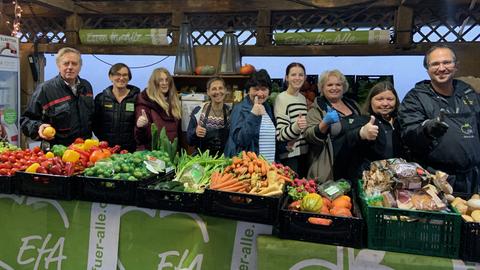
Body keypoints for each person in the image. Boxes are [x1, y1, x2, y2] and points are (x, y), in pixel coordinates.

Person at [398, 44, 480, 193]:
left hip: (473, 179)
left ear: (456, 66)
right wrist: (427, 129)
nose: (441, 68)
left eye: (447, 62)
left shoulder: (468, 93)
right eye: (435, 64)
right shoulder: (415, 97)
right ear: (427, 69)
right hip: (436, 180)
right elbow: (408, 134)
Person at [20, 47, 94, 146]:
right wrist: (39, 127)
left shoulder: (87, 86)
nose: (70, 67)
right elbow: (26, 120)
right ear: (59, 65)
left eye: (74, 63)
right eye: (66, 63)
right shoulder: (45, 89)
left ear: (80, 66)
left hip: (84, 152)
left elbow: (92, 117)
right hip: (56, 153)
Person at [304, 69, 362, 182]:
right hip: (332, 167)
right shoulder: (317, 110)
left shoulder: (353, 105)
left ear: (343, 87)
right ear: (322, 88)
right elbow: (309, 135)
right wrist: (324, 123)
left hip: (356, 164)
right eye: (329, 85)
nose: (334, 88)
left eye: (338, 84)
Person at [224, 69, 276, 162]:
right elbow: (240, 140)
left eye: (264, 89)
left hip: (267, 165)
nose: (260, 93)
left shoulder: (267, 107)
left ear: (269, 91)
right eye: (256, 89)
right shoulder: (239, 108)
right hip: (249, 166)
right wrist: (253, 115)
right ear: (248, 90)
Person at [93, 63, 140, 152]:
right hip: (106, 150)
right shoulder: (101, 98)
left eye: (125, 75)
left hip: (131, 151)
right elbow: (95, 123)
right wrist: (104, 140)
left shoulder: (138, 98)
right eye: (118, 74)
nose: (121, 78)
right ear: (111, 77)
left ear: (129, 77)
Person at [274, 62, 308, 177]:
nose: (297, 78)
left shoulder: (303, 98)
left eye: (301, 75)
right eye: (293, 75)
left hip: (304, 154)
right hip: (290, 157)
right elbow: (280, 134)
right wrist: (296, 127)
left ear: (305, 77)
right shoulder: (281, 98)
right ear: (287, 78)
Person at [134, 68, 181, 150]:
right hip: (152, 154)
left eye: (167, 80)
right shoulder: (145, 102)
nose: (164, 83)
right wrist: (140, 127)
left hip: (171, 153)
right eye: (161, 80)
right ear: (154, 83)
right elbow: (140, 138)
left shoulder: (174, 102)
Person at [187, 77, 231, 155]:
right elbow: (189, 140)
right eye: (214, 89)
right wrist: (195, 132)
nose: (217, 92)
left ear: (225, 90)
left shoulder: (231, 112)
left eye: (220, 88)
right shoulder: (199, 111)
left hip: (223, 159)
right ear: (208, 92)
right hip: (201, 159)